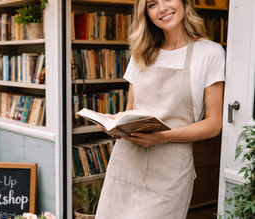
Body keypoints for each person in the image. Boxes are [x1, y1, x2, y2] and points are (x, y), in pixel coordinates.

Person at [95, 0, 225, 218]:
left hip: (169, 171)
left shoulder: (210, 53)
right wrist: (116, 123)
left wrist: (162, 137)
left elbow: (214, 125)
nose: (162, 8)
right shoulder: (141, 52)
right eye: (152, 4)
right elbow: (130, 109)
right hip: (127, 162)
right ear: (146, 13)